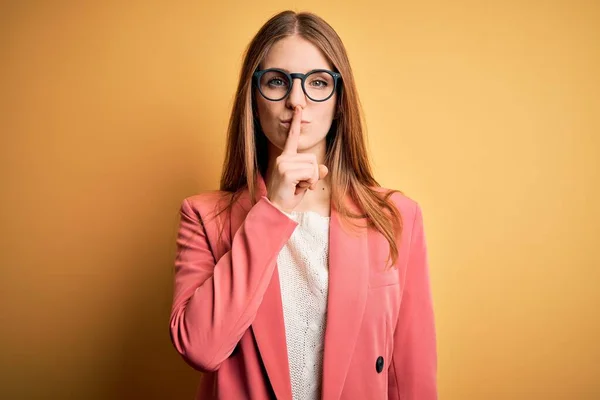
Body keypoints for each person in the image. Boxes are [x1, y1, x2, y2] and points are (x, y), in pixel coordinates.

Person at [169, 10, 437, 400]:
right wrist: (272, 211)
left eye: (317, 82)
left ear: (339, 100)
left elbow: (411, 374)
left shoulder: (396, 218)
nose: (297, 100)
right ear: (253, 97)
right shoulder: (204, 216)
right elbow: (201, 347)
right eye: (277, 81)